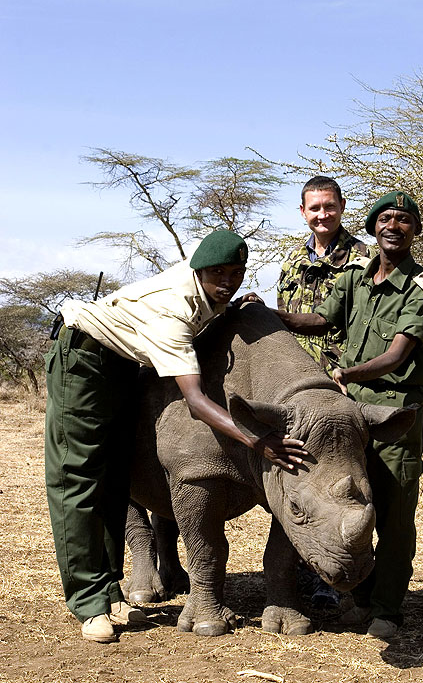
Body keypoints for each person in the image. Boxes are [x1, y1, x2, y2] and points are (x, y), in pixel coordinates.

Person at [45, 230, 307, 644]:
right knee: (78, 478)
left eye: (236, 272)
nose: (228, 280)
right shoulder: (174, 310)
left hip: (128, 363)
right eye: (217, 272)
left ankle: (110, 588)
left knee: (116, 476)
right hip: (86, 358)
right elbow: (197, 402)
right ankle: (88, 601)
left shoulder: (209, 297)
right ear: (196, 270)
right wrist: (258, 441)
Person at [274, 191, 423, 638]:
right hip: (349, 413)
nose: (394, 225)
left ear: (415, 230)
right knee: (350, 500)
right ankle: (361, 597)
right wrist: (272, 317)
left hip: (394, 412)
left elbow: (396, 356)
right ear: (373, 227)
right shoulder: (354, 277)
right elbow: (322, 320)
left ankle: (386, 608)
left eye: (404, 219)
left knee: (391, 510)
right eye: (385, 218)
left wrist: (344, 372)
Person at [277, 175, 373, 378]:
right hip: (296, 376)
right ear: (303, 211)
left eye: (329, 207)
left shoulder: (365, 260)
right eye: (314, 208)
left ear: (342, 206)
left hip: (342, 377)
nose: (323, 215)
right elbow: (284, 316)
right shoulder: (293, 260)